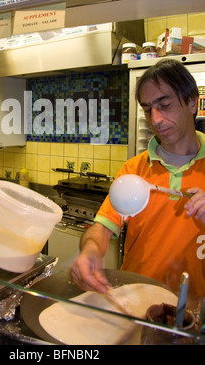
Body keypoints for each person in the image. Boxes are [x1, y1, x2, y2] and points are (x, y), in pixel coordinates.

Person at [70, 59, 205, 297]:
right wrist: (90, 251)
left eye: (164, 105)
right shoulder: (134, 170)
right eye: (147, 109)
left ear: (192, 101)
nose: (155, 120)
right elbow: (102, 228)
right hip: (136, 301)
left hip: (194, 312)